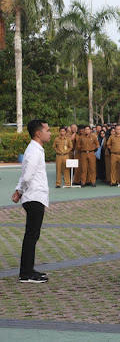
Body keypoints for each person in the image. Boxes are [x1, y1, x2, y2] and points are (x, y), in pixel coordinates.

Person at [12, 120, 51, 283]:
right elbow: (27, 176)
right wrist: (20, 191)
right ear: (38, 133)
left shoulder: (35, 149)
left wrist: (18, 191)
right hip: (34, 197)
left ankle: (28, 270)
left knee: (32, 235)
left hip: (35, 196)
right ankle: (26, 273)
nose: (50, 133)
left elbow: (25, 175)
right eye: (47, 130)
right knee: (31, 235)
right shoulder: (34, 151)